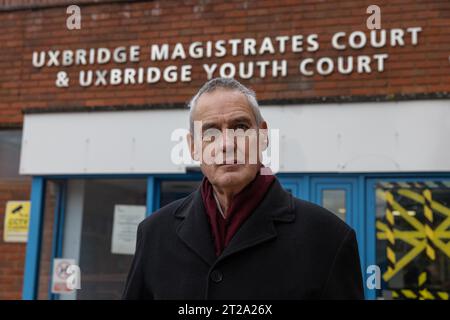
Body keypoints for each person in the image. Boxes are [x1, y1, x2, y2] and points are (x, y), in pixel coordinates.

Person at [122, 77, 364, 299]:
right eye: (211, 131)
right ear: (193, 146)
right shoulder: (154, 234)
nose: (227, 143)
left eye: (240, 127)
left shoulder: (328, 238)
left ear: (264, 136)